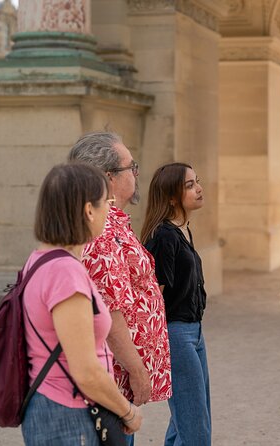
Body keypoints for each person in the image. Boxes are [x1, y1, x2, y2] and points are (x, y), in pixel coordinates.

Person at [21, 163, 142, 445]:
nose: (109, 211)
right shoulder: (65, 272)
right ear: (89, 210)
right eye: (106, 203)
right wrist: (128, 412)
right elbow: (86, 371)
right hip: (70, 414)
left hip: (55, 407)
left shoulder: (40, 259)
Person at [68, 132, 172, 444]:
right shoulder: (100, 232)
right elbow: (110, 311)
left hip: (116, 381)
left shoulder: (111, 224)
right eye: (131, 167)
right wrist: (138, 371)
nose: (137, 174)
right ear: (108, 178)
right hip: (111, 382)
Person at [141, 163, 211, 446]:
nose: (199, 188)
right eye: (190, 185)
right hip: (176, 335)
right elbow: (154, 295)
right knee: (196, 430)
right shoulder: (164, 236)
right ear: (171, 196)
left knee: (186, 421)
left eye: (197, 181)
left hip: (194, 333)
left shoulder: (182, 231)